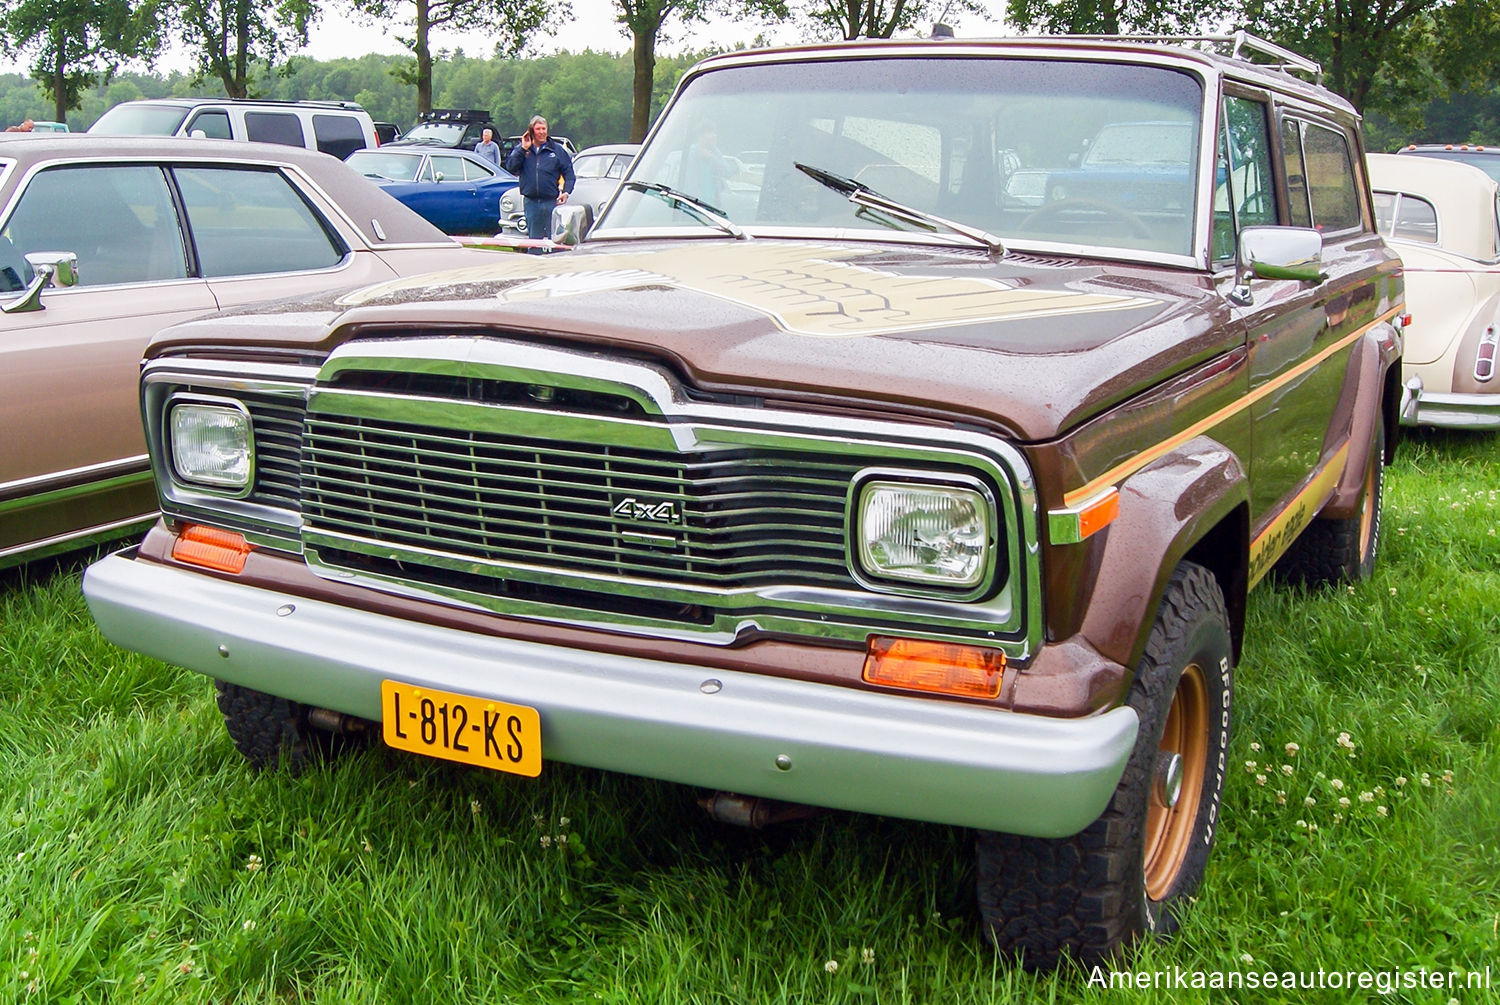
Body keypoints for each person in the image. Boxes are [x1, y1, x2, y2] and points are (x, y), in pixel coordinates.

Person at [503, 115, 575, 248]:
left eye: (544, 128)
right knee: (534, 242)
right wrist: (523, 149)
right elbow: (511, 167)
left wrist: (566, 192)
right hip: (531, 202)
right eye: (538, 129)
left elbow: (569, 174)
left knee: (553, 240)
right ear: (531, 131)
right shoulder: (524, 150)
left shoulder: (556, 150)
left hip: (551, 201)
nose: (541, 132)